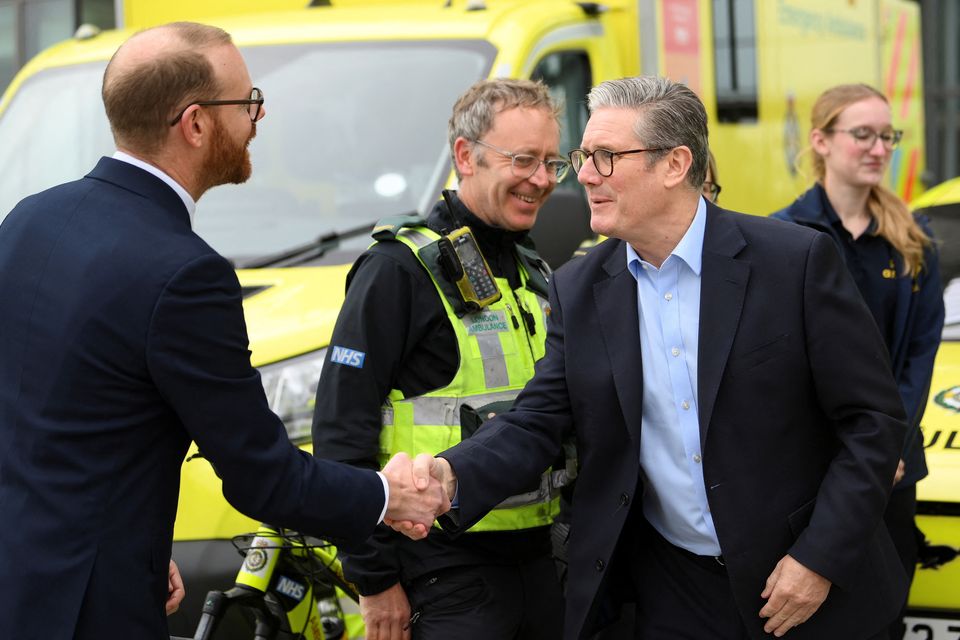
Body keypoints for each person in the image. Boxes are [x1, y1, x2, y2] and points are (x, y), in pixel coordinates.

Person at [390, 76, 910, 640]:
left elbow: (873, 423)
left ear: (675, 164)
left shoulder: (795, 261)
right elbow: (536, 421)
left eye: (606, 157)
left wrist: (818, 558)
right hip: (672, 592)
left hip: (806, 589)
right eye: (585, 156)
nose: (584, 175)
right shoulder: (580, 288)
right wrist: (447, 476)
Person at [0, 22, 445, 640]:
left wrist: (141, 551)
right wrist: (387, 495)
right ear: (196, 123)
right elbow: (263, 477)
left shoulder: (28, 220)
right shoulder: (186, 274)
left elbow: (49, 418)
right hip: (92, 609)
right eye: (248, 101)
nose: (258, 117)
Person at [312, 78, 570, 640]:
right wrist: (374, 579)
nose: (543, 180)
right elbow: (340, 434)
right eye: (524, 160)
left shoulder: (534, 272)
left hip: (538, 563)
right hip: (440, 571)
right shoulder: (398, 270)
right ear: (465, 156)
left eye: (554, 162)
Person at [773, 83, 945, 639]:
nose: (878, 148)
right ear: (820, 141)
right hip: (814, 470)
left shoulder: (913, 243)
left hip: (892, 470)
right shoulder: (782, 236)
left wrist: (885, 448)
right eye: (863, 134)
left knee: (885, 614)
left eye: (887, 136)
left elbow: (919, 355)